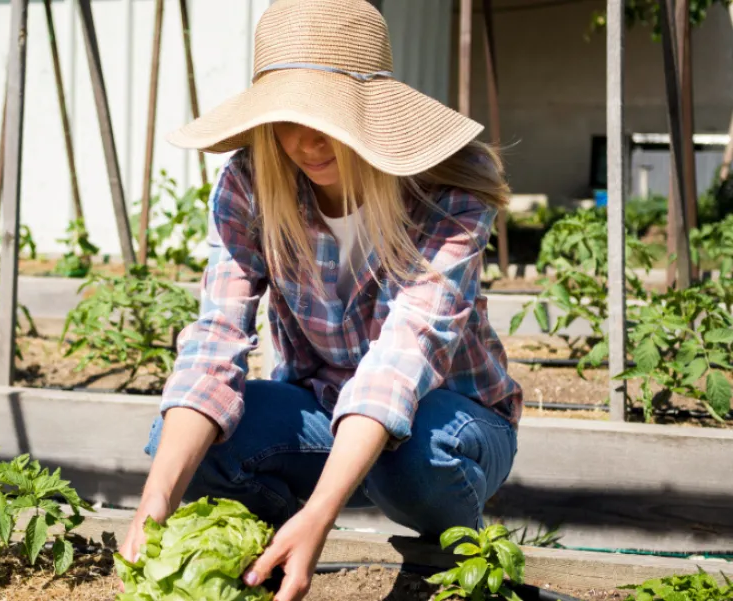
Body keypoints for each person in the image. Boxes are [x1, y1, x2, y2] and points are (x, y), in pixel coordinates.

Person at [118, 0, 523, 599]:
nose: (306, 142)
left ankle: (458, 559)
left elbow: (404, 356)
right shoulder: (253, 183)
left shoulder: (445, 192)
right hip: (322, 413)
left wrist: (322, 514)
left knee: (415, 457)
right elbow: (216, 337)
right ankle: (269, 552)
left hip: (451, 420)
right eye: (287, 118)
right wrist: (155, 500)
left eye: (326, 118)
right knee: (181, 445)